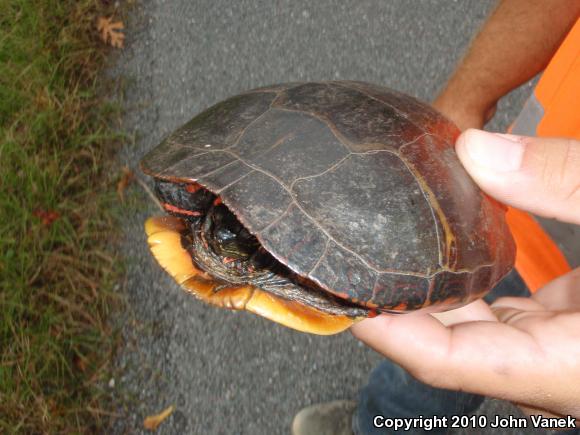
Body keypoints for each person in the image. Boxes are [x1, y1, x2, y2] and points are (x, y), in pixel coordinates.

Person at [292, 1, 580, 434]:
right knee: (434, 351)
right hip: (512, 218)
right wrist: (464, 103)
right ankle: (376, 427)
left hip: (520, 220)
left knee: (447, 345)